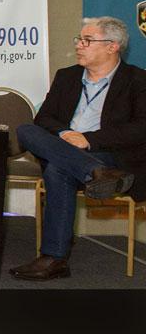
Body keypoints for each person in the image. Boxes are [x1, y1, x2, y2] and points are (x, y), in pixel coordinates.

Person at [10, 16, 145, 281]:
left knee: (58, 169)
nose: (79, 45)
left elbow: (141, 127)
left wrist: (88, 140)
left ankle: (54, 258)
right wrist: (66, 134)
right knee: (26, 130)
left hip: (108, 153)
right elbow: (44, 119)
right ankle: (95, 172)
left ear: (112, 46)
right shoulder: (67, 76)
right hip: (69, 149)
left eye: (87, 40)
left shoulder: (137, 80)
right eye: (79, 39)